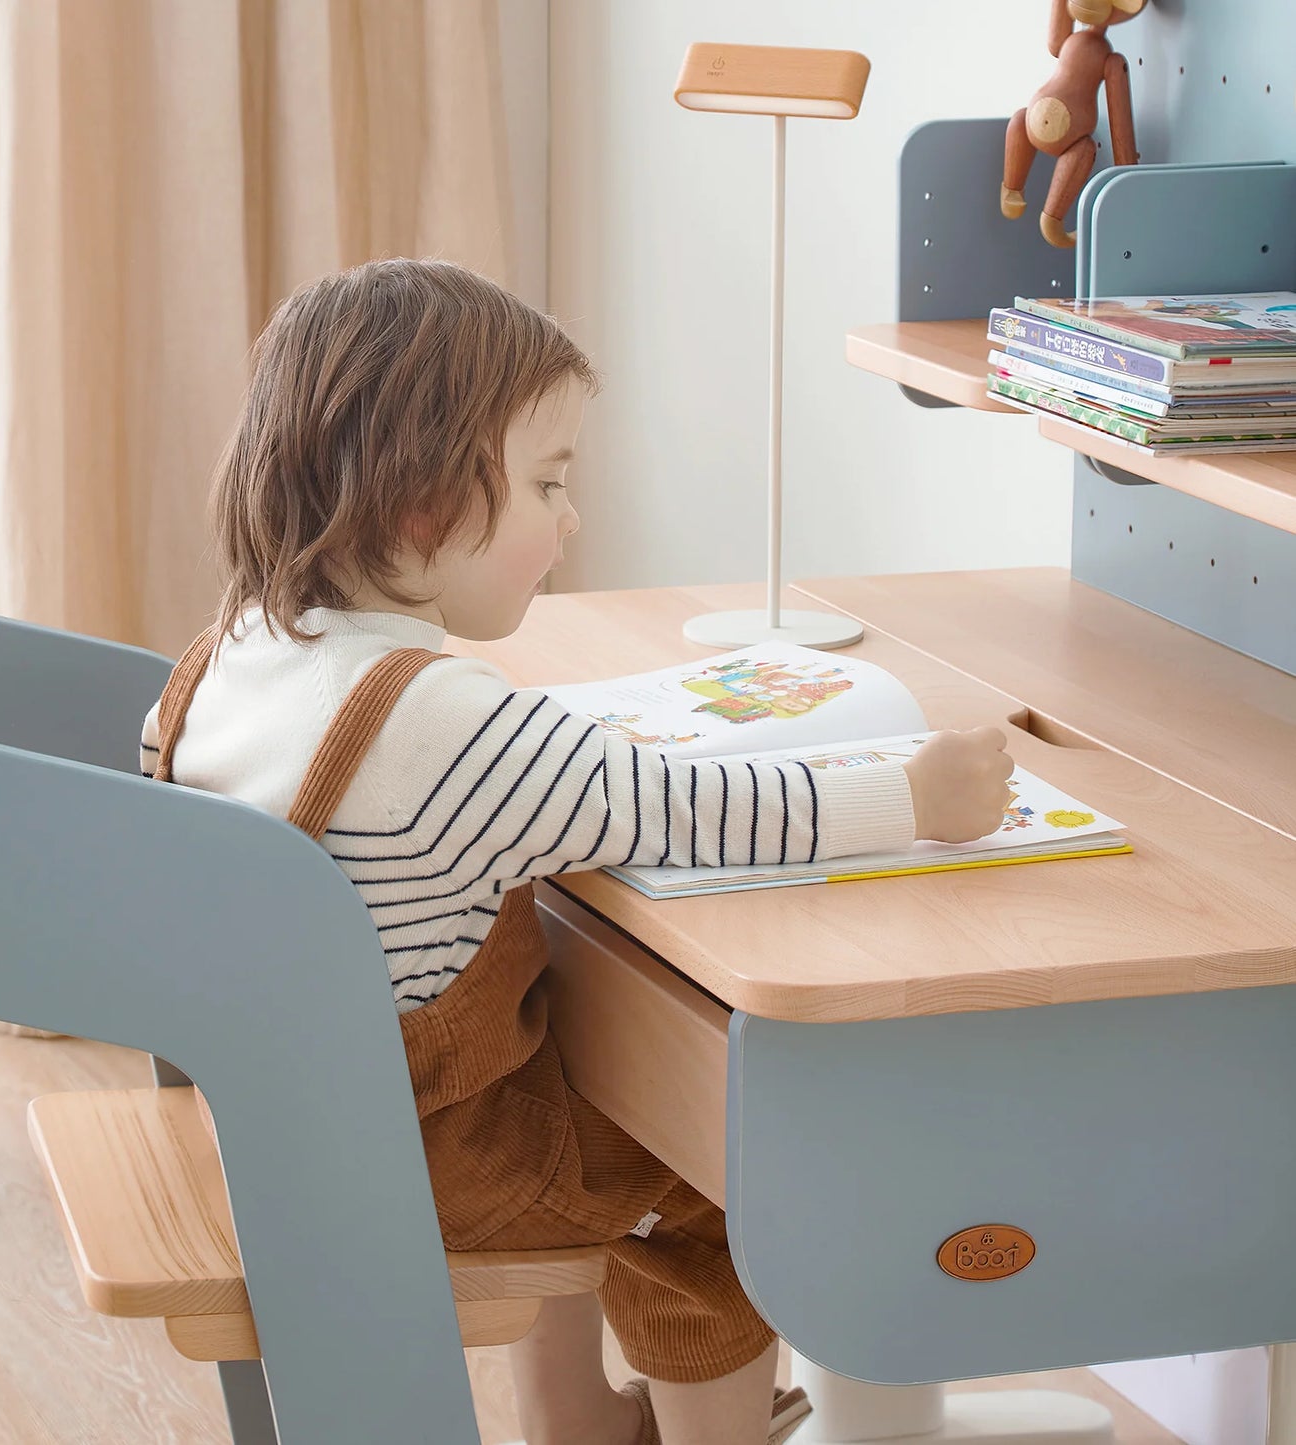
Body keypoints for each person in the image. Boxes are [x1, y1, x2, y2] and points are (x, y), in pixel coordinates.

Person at [142, 259, 1013, 1445]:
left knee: (600, 1068)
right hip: (428, 1160)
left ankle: (573, 1415)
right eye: (548, 482)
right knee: (721, 1171)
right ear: (422, 506)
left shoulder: (232, 648)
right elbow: (685, 808)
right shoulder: (435, 716)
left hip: (281, 1115)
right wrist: (910, 791)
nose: (572, 518)